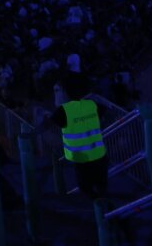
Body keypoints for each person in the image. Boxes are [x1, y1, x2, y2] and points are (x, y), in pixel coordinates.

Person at [40, 75, 109, 209]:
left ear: (65, 92)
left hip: (81, 158)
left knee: (85, 187)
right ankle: (107, 211)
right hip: (99, 154)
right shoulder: (91, 104)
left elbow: (46, 125)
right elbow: (104, 109)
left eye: (57, 91)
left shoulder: (63, 111)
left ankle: (102, 212)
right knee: (102, 186)